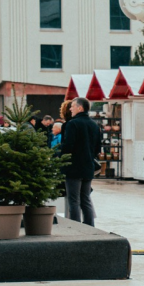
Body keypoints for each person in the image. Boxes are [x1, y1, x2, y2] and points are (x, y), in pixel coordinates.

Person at [57, 96, 102, 226]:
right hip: (88, 167)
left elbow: (68, 146)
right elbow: (97, 148)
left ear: (80, 108)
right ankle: (90, 227)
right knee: (85, 199)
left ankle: (76, 228)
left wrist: (61, 158)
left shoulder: (72, 124)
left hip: (73, 167)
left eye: (72, 106)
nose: (70, 108)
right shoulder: (94, 125)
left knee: (73, 200)